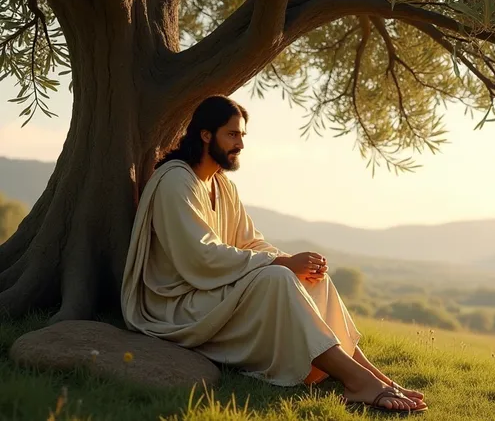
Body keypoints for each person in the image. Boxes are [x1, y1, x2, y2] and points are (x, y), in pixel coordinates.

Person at [120, 95, 427, 414]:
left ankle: (374, 378)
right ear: (205, 134)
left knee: (311, 280)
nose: (240, 144)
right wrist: (281, 264)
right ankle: (359, 381)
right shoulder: (175, 181)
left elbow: (250, 242)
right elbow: (200, 256)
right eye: (232, 134)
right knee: (279, 277)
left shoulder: (221, 185)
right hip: (178, 303)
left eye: (242, 135)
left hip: (211, 289)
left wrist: (295, 262)